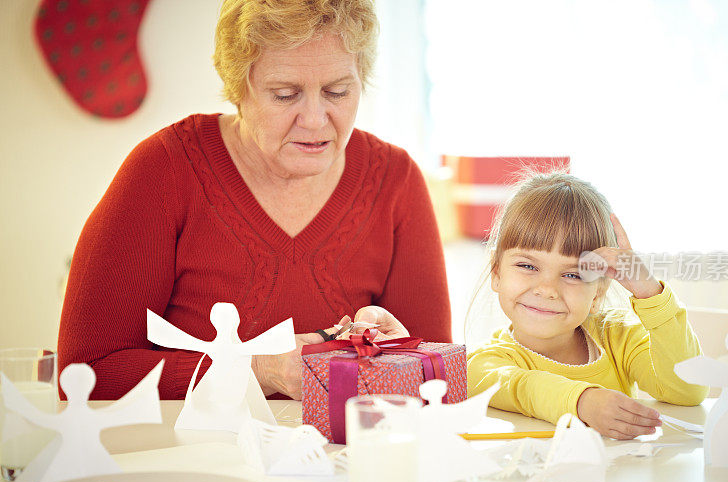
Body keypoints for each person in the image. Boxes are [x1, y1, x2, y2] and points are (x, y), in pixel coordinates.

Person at [58, 0, 451, 402]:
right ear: (238, 90)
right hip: (192, 459)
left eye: (337, 91)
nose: (315, 119)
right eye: (285, 95)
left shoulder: (395, 180)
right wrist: (259, 370)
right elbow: (86, 373)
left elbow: (440, 382)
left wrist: (402, 357)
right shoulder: (164, 170)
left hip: (347, 462)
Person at [466, 173, 708, 439]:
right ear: (497, 273)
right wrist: (581, 403)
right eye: (527, 266)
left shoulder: (619, 338)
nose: (547, 289)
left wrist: (650, 292)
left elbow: (690, 389)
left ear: (597, 294)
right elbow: (524, 387)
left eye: (573, 275)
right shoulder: (483, 365)